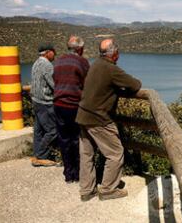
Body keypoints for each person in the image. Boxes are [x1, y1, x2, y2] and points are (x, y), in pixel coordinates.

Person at [76, 38, 142, 201]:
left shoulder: (96, 64)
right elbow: (135, 85)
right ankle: (107, 189)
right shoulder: (111, 69)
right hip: (98, 118)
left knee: (87, 154)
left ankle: (86, 190)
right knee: (115, 153)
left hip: (83, 115)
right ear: (115, 54)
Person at [53, 36, 89, 183]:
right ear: (79, 49)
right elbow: (88, 83)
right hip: (74, 105)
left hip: (58, 105)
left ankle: (68, 173)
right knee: (77, 139)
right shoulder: (82, 62)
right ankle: (79, 173)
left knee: (64, 139)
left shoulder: (58, 61)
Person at [30, 43, 58, 166]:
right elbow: (54, 85)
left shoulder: (36, 63)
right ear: (48, 52)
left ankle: (36, 155)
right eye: (53, 51)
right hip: (45, 102)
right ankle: (41, 156)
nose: (55, 54)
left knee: (39, 130)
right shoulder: (47, 65)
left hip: (36, 100)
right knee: (53, 130)